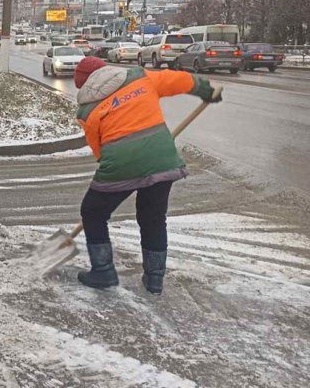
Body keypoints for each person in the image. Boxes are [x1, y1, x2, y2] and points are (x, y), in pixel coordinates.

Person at [72, 56, 222, 294]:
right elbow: (179, 80)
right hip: (162, 158)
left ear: (82, 85)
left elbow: (98, 149)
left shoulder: (86, 111)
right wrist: (206, 91)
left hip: (120, 163)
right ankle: (154, 278)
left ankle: (103, 272)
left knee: (93, 211)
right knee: (152, 217)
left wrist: (116, 167)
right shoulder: (141, 78)